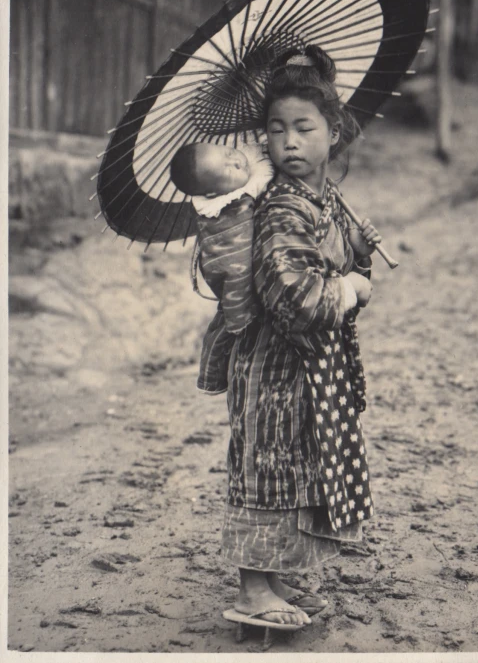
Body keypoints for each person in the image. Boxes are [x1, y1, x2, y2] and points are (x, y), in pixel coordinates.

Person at [220, 44, 382, 627]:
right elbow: (292, 294)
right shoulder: (282, 206)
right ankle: (251, 591)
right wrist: (348, 289)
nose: (287, 141)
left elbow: (331, 254)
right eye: (275, 128)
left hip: (301, 367)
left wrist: (355, 249)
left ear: (333, 132)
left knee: (292, 466)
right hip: (272, 367)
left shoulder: (321, 199)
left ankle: (274, 578)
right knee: (265, 465)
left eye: (303, 127)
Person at [169, 140, 274, 394]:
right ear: (215, 193)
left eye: (229, 153)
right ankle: (212, 377)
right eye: (228, 169)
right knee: (231, 317)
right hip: (228, 262)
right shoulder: (229, 203)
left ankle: (211, 376)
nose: (236, 161)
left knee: (225, 320)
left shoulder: (244, 165)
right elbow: (229, 259)